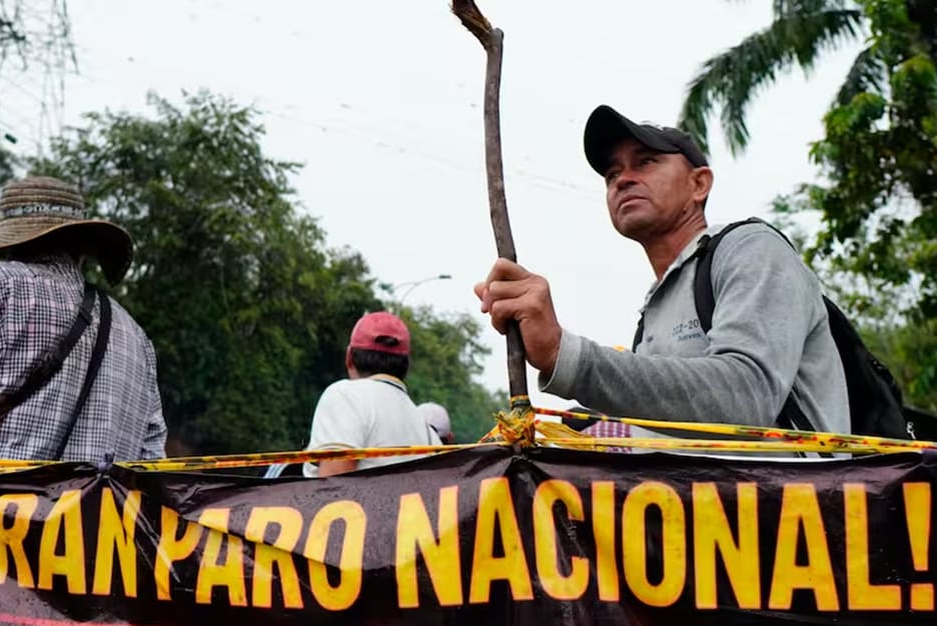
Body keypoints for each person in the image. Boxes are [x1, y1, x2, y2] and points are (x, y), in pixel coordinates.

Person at [473, 105, 850, 439]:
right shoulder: (654, 311)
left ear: (699, 184)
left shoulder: (751, 248)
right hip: (703, 510)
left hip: (800, 510)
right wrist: (554, 430)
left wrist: (563, 354)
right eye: (612, 174)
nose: (623, 179)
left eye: (646, 162)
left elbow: (745, 400)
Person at [0, 175, 167, 461]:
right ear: (83, 247)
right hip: (95, 506)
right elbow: (152, 461)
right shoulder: (137, 340)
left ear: (6, 243)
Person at [303, 311, 438, 477]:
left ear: (349, 358)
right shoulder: (428, 432)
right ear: (406, 366)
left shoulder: (345, 396)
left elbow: (334, 489)